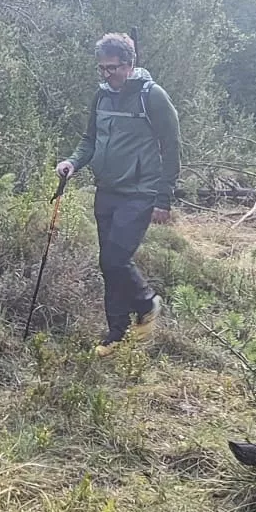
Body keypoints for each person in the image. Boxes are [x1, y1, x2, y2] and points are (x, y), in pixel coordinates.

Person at [55, 32, 178, 354]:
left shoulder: (152, 97)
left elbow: (173, 147)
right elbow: (89, 139)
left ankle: (147, 302)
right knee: (107, 263)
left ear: (129, 64)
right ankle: (116, 333)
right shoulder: (102, 97)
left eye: (112, 68)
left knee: (114, 258)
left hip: (140, 191)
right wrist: (73, 162)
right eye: (102, 69)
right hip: (106, 188)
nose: (107, 75)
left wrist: (163, 198)